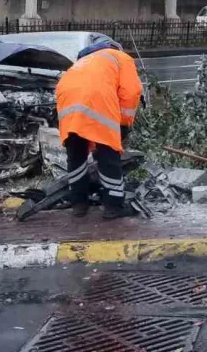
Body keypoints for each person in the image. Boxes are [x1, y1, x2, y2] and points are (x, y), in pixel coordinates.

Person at [55, 36, 143, 219]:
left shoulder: (83, 61)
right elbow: (131, 92)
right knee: (108, 153)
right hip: (96, 96)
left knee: (76, 153)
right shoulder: (121, 57)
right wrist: (124, 123)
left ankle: (79, 203)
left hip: (66, 98)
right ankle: (113, 206)